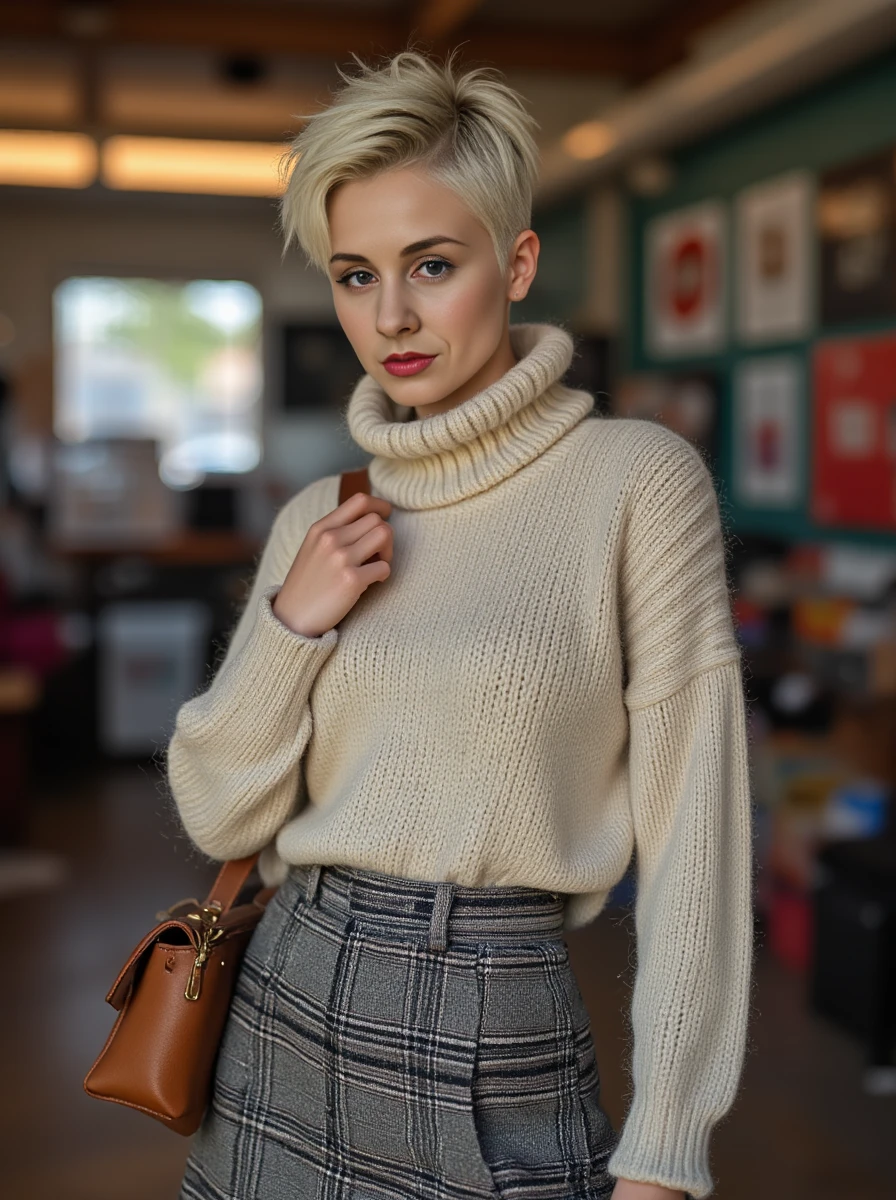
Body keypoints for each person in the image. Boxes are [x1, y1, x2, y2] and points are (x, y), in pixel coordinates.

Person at [166, 49, 753, 1200]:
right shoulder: (315, 521)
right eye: (353, 275)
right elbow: (217, 807)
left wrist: (666, 1147)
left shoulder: (635, 483)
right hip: (283, 1001)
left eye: (430, 265)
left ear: (516, 261)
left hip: (492, 1016)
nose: (390, 316)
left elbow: (697, 833)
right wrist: (294, 623)